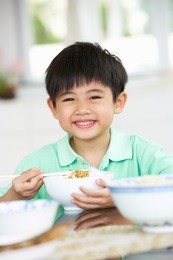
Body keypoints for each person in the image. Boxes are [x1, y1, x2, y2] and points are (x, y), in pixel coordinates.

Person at [0, 42, 173, 210]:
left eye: (94, 97)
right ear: (54, 108)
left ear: (118, 102)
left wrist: (124, 198)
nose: (82, 109)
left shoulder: (141, 153)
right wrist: (15, 195)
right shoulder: (37, 164)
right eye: (69, 99)